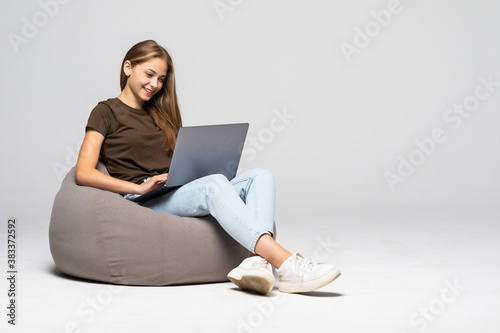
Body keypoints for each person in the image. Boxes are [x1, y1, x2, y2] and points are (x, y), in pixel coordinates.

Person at [76, 40, 340, 295]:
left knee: (260, 176)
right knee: (213, 185)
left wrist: (196, 168)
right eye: (149, 74)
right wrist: (139, 187)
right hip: (145, 199)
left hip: (173, 189)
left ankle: (254, 263)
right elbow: (84, 172)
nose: (155, 84)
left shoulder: (160, 114)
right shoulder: (105, 111)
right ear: (128, 68)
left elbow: (179, 161)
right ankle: (286, 264)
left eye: (161, 79)